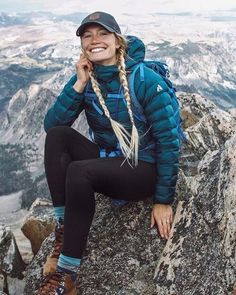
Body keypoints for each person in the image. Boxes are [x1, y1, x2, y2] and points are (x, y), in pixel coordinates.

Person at [35, 11, 180, 294]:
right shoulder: (88, 77)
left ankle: (66, 275)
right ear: (82, 45)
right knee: (58, 137)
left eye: (102, 34)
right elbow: (52, 125)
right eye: (87, 35)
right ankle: (64, 229)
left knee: (79, 171)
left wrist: (164, 200)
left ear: (117, 41)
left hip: (145, 167)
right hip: (111, 159)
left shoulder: (145, 80)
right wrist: (78, 85)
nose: (94, 40)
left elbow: (169, 142)